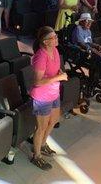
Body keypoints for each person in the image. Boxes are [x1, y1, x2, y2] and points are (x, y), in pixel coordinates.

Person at [29, 26, 68, 171]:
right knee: (41, 127)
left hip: (54, 92)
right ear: (45, 42)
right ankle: (36, 156)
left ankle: (43, 144)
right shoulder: (40, 56)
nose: (57, 38)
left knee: (54, 120)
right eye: (54, 37)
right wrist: (59, 77)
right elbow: (37, 82)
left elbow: (54, 70)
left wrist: (59, 74)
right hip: (42, 96)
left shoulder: (55, 51)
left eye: (56, 36)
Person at [71, 13, 101, 91]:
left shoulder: (88, 30)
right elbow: (81, 43)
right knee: (100, 57)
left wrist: (98, 46)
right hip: (81, 52)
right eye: (87, 21)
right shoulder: (78, 29)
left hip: (89, 50)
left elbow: (89, 42)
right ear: (81, 22)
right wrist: (93, 50)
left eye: (90, 21)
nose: (89, 23)